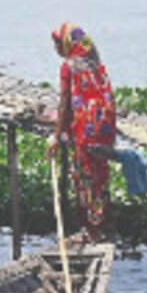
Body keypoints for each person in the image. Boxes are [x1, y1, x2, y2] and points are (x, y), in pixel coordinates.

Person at [49, 21, 117, 241]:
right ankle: (101, 225)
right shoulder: (96, 65)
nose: (56, 49)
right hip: (104, 133)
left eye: (57, 44)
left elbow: (65, 103)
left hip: (85, 133)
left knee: (84, 179)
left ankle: (91, 231)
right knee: (100, 178)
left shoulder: (69, 66)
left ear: (68, 44)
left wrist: (57, 136)